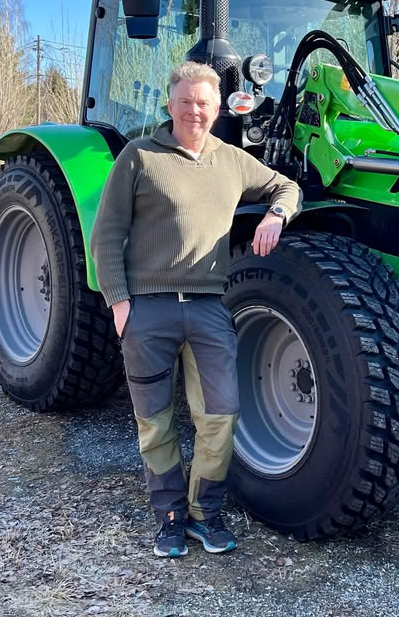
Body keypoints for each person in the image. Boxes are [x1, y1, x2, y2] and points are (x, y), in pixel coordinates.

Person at [90, 61, 302, 558]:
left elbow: (287, 187)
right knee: (155, 419)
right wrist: (120, 303)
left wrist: (276, 215)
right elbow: (107, 234)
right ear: (171, 104)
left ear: (216, 107)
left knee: (220, 416)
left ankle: (206, 513)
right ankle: (168, 515)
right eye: (185, 102)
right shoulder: (139, 157)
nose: (194, 112)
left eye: (204, 103)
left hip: (209, 308)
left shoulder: (231, 159)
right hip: (149, 310)